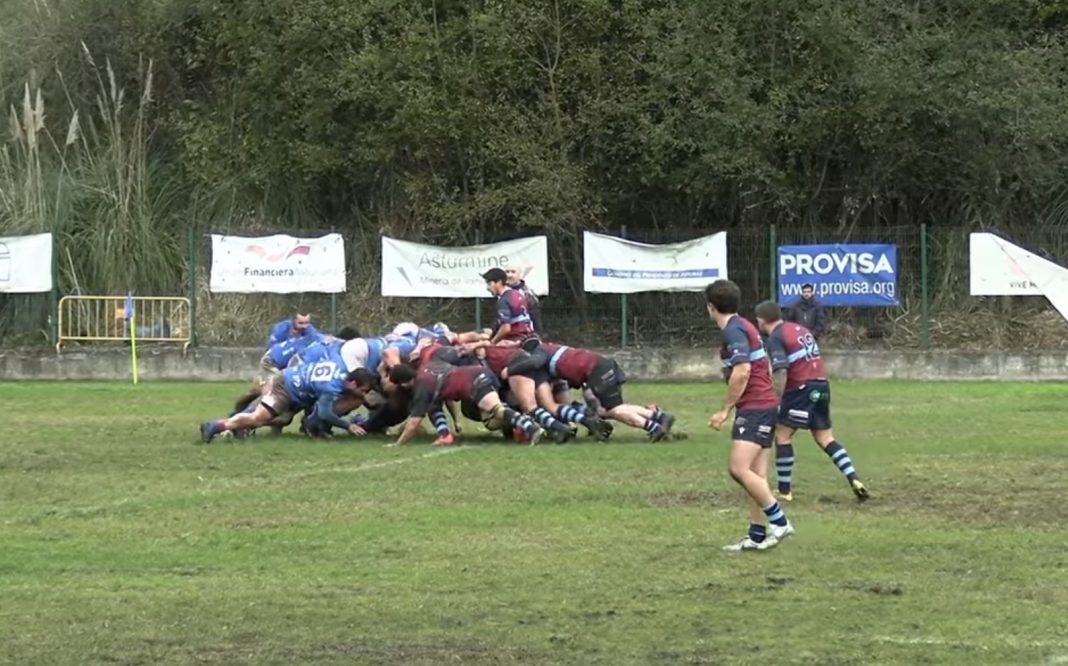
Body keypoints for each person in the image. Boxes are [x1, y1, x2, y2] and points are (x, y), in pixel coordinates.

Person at [706, 279, 794, 552]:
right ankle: (756, 534)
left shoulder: (733, 331)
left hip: (755, 408)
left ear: (711, 307)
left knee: (738, 468)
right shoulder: (746, 326)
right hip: (764, 405)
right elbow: (765, 366)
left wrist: (725, 409)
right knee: (755, 474)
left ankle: (779, 521)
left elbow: (742, 371)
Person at [755, 301, 869, 502]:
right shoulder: (799, 329)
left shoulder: (776, 338)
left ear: (761, 320)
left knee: (782, 434)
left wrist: (775, 399)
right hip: (822, 385)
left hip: (801, 387)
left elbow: (781, 370)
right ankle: (854, 478)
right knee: (825, 438)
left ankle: (784, 491)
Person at [508, 340, 671, 441]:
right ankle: (659, 417)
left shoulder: (540, 352)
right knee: (603, 410)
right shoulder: (550, 350)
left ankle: (654, 427)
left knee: (613, 410)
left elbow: (535, 362)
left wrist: (509, 370)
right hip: (597, 368)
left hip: (597, 370)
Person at [200, 355, 376, 443]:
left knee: (281, 419)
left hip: (293, 384)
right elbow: (324, 413)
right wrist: (348, 425)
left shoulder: (341, 369)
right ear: (352, 383)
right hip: (286, 387)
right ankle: (215, 426)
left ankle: (237, 422)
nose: (363, 394)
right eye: (363, 390)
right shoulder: (331, 387)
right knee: (259, 418)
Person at [387, 362, 545, 447]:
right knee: (434, 406)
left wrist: (398, 444)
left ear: (403, 384)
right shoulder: (428, 368)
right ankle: (445, 435)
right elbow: (443, 394)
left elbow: (414, 423)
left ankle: (531, 428)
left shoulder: (423, 388)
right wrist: (455, 421)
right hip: (479, 372)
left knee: (496, 413)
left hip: (475, 382)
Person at [481, 267, 534, 344]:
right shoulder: (517, 294)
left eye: (489, 284)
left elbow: (506, 328)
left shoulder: (504, 300)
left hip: (516, 339)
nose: (487, 288)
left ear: (499, 282)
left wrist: (492, 342)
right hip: (529, 336)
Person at [506, 266, 543, 335]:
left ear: (520, 275)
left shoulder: (527, 294)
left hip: (524, 334)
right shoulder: (503, 292)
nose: (509, 275)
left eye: (513, 272)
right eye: (507, 272)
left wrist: (537, 335)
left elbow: (535, 317)